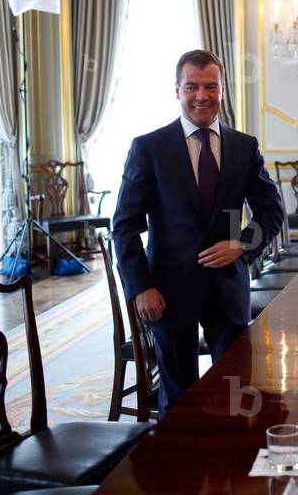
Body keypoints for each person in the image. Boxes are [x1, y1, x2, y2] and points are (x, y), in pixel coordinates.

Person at [113, 49, 284, 414]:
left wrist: (242, 244)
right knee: (177, 398)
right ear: (177, 90)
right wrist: (141, 287)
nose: (201, 95)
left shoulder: (243, 147)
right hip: (168, 292)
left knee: (238, 391)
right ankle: (180, 469)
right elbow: (124, 225)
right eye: (192, 86)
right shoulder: (149, 148)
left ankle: (230, 466)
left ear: (222, 90)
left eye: (210, 86)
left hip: (228, 288)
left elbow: (272, 211)